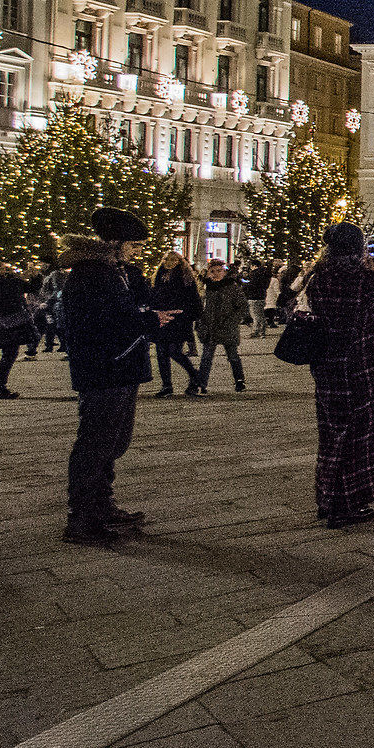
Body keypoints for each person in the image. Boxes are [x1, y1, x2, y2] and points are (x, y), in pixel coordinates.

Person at [57, 208, 171, 545]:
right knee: (95, 441)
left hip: (118, 366)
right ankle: (81, 518)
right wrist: (149, 322)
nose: (136, 251)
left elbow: (120, 313)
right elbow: (101, 324)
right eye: (133, 244)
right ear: (116, 242)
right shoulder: (92, 274)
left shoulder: (112, 272)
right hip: (105, 368)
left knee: (112, 441)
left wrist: (147, 314)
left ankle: (101, 505)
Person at [301, 224, 374, 528]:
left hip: (327, 366)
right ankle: (346, 503)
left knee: (332, 433)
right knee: (357, 435)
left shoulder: (318, 277)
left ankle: (328, 499)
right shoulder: (362, 279)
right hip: (360, 366)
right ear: (358, 248)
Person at [147, 251, 204, 395]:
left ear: (179, 261)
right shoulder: (159, 275)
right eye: (166, 259)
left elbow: (193, 298)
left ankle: (194, 374)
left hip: (179, 319)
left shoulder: (185, 277)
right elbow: (154, 295)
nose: (168, 262)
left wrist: (192, 316)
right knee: (161, 352)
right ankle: (167, 386)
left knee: (174, 351)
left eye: (172, 259)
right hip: (162, 318)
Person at [0, 258, 36, 399]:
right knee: (9, 354)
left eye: (2, 264)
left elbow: (30, 288)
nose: (2, 267)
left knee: (10, 353)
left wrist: (34, 276)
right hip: (2, 322)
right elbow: (4, 294)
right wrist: (18, 279)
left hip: (7, 321)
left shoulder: (4, 281)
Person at [195, 259, 250, 393]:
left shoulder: (231, 287)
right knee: (206, 357)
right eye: (212, 271)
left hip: (227, 326)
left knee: (232, 355)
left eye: (219, 271)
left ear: (224, 271)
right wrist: (201, 322)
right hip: (210, 327)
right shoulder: (205, 288)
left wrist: (233, 321)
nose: (216, 274)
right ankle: (202, 384)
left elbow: (242, 306)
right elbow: (199, 306)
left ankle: (239, 380)